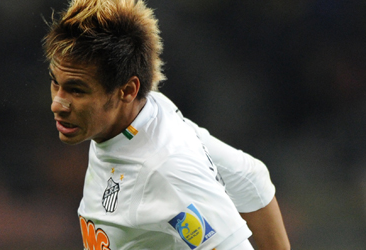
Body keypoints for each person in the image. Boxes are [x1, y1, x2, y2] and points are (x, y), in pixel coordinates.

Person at [43, 0, 291, 249]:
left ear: (127, 90)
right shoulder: (148, 111)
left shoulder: (164, 170)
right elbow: (250, 177)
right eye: (56, 83)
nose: (58, 104)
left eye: (77, 91)